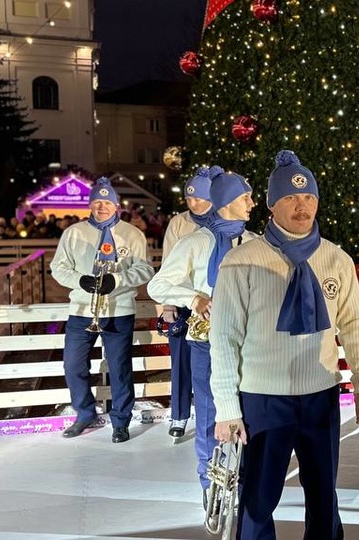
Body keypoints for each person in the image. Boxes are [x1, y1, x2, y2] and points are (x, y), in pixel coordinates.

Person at [210, 150, 359, 539]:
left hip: (321, 394)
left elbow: (354, 323)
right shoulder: (242, 261)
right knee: (258, 497)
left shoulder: (336, 259)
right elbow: (224, 338)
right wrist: (227, 409)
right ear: (271, 204)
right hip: (264, 399)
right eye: (290, 197)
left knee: (323, 494)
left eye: (308, 197)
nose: (302, 206)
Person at [147, 169, 256, 498]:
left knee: (249, 413)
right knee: (210, 413)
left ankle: (245, 479)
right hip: (206, 342)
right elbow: (158, 285)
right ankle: (210, 482)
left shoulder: (254, 243)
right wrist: (193, 298)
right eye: (246, 198)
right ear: (227, 202)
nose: (252, 203)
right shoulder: (196, 242)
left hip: (248, 344)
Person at [49, 177, 155, 443]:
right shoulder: (73, 233)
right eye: (96, 202)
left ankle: (121, 421)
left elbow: (144, 269)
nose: (102, 207)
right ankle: (85, 413)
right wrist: (80, 280)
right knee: (73, 364)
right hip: (82, 309)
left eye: (107, 203)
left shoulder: (133, 234)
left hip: (119, 309)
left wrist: (117, 280)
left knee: (120, 368)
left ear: (117, 206)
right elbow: (58, 267)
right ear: (90, 205)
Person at [158, 167, 221, 441]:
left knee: (212, 365)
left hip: (213, 304)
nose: (193, 203)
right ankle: (180, 415)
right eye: (189, 198)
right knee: (181, 360)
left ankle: (218, 415)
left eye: (199, 198)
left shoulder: (224, 222)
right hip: (184, 301)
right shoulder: (179, 223)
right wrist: (168, 304)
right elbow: (166, 265)